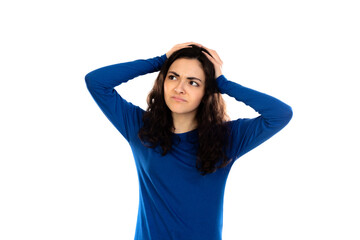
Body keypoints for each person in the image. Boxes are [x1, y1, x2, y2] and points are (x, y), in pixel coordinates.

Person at [85, 42, 293, 240]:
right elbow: (96, 82)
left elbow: (280, 114)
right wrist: (160, 60)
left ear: (207, 92)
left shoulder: (228, 138)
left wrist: (223, 83)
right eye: (173, 77)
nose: (179, 88)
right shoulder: (140, 128)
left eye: (193, 82)